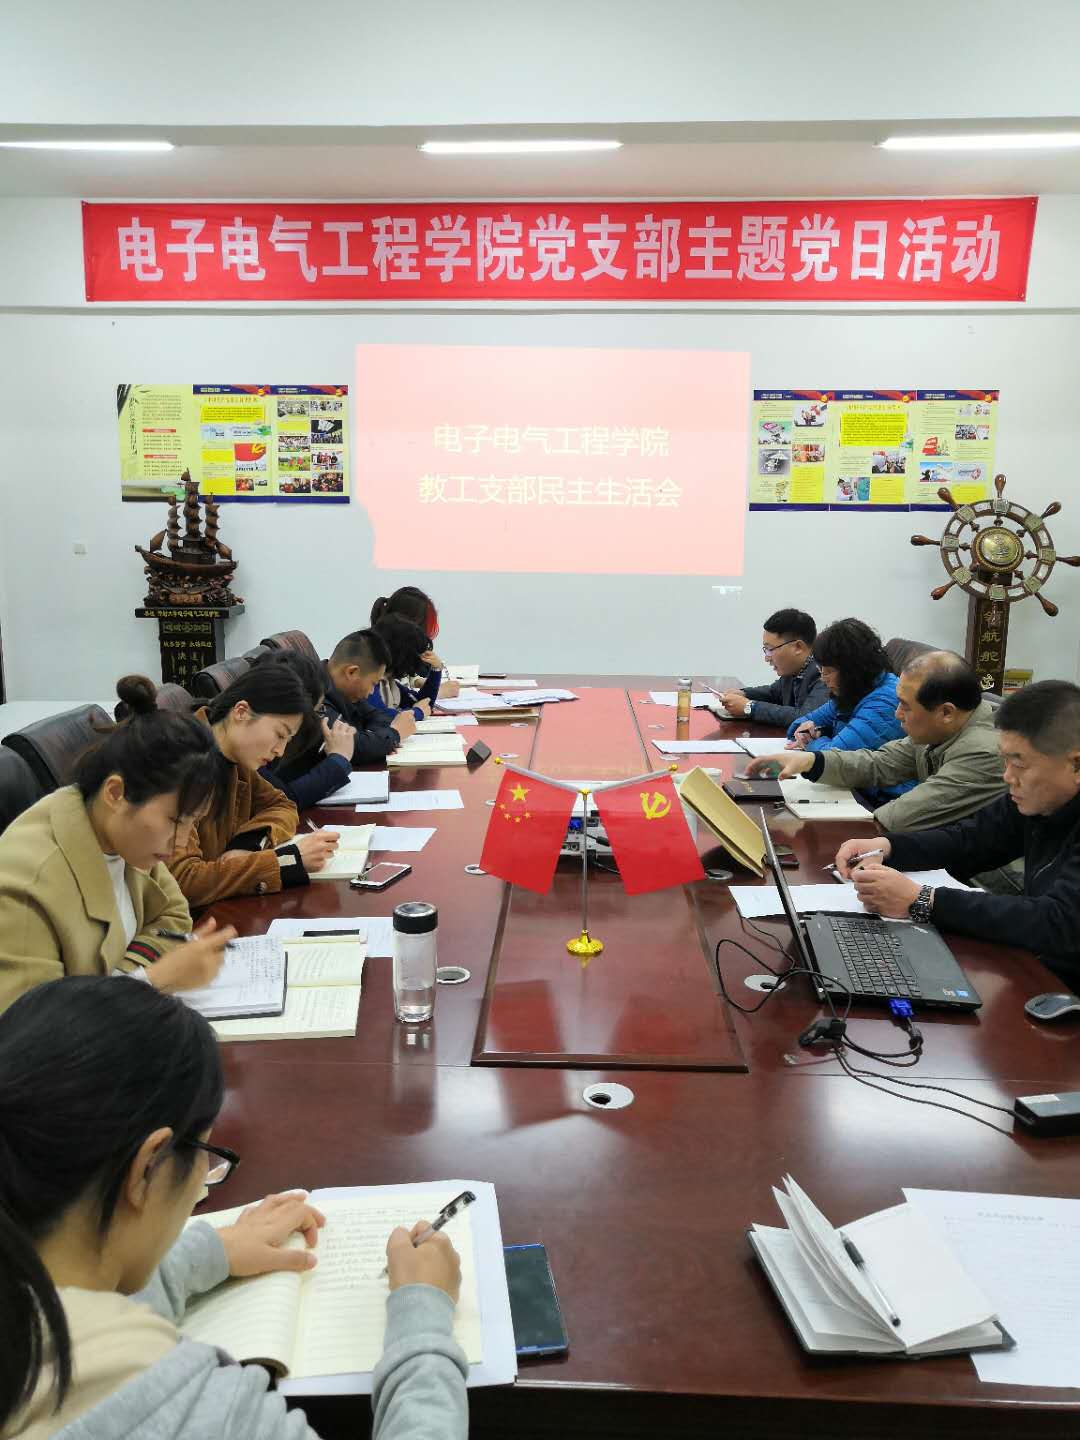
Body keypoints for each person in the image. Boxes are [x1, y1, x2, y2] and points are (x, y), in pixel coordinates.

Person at [0, 976, 468, 1440]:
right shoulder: (187, 1410)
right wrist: (422, 1320)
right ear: (146, 1170)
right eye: (205, 1151)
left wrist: (200, 1255)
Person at [0, 676, 235, 1013]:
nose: (182, 840)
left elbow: (172, 916)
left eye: (192, 822)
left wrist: (125, 975)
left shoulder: (122, 835)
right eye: (175, 820)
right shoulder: (29, 884)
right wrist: (152, 980)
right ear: (115, 793)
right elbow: (29, 1030)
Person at [834, 681, 1080, 992]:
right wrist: (887, 847)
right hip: (1036, 968)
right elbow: (969, 840)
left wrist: (923, 900)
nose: (1007, 776)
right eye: (1005, 761)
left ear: (1076, 765)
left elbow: (1060, 923)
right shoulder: (1039, 800)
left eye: (1019, 764)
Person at [747, 652, 1007, 832]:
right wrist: (809, 761)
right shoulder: (939, 730)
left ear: (946, 712)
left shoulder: (982, 752)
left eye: (905, 706)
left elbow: (905, 815)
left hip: (980, 883)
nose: (897, 714)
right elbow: (878, 762)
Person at [168, 666, 338, 906]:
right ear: (241, 712)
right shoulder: (180, 763)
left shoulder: (234, 757)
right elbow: (183, 881)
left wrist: (247, 844)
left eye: (287, 740)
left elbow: (283, 805)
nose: (280, 751)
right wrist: (287, 861)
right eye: (280, 734)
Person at [785, 618, 905, 761]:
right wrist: (812, 730)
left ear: (854, 669)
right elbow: (797, 725)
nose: (823, 678)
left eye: (829, 671)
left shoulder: (884, 703)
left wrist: (812, 739)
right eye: (821, 669)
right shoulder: (856, 690)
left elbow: (833, 758)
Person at [253, 650, 358, 811]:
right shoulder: (244, 751)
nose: (318, 720)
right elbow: (284, 799)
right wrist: (338, 759)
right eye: (318, 710)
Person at [719, 609, 829, 727]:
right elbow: (773, 693)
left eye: (770, 649)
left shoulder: (824, 672)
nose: (767, 658)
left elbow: (806, 718)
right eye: (765, 650)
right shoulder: (794, 670)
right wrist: (743, 693)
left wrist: (749, 707)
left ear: (798, 647)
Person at [321, 628, 416, 763]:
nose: (371, 692)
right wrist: (394, 734)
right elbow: (351, 747)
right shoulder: (314, 694)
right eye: (373, 683)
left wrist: (377, 742)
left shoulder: (347, 691)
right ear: (352, 672)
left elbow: (378, 716)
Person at [371, 587, 460, 700]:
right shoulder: (376, 662)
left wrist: (421, 680)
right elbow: (396, 702)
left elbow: (407, 686)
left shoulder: (396, 653)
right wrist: (440, 692)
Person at [371, 613, 441, 719]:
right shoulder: (369, 682)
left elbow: (423, 703)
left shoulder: (388, 680)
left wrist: (436, 670)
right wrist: (417, 712)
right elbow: (380, 716)